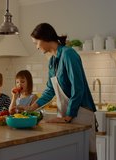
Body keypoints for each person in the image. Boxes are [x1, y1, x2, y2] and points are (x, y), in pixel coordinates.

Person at [26, 23, 97, 160]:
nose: (36, 46)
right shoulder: (52, 61)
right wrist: (31, 107)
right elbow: (50, 90)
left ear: (44, 37)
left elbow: (78, 88)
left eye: (36, 42)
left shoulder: (68, 54)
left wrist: (68, 116)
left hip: (80, 114)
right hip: (65, 116)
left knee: (85, 154)